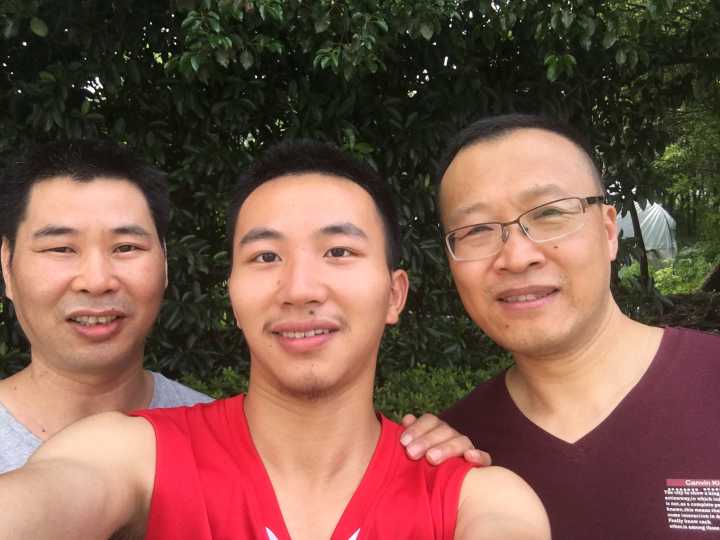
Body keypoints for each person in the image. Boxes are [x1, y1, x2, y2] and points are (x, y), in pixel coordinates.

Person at [0, 140, 550, 540]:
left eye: (339, 251)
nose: (300, 288)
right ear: (233, 295)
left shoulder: (475, 497)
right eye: (265, 256)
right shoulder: (134, 453)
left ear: (394, 294)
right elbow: (51, 495)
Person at [437, 113, 720, 539]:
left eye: (550, 213)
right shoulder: (455, 454)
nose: (517, 257)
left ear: (608, 231)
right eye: (476, 229)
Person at [0, 140, 212, 474]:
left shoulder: (223, 444)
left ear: (165, 263)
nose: (97, 281)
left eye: (126, 247)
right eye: (61, 248)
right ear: (7, 266)